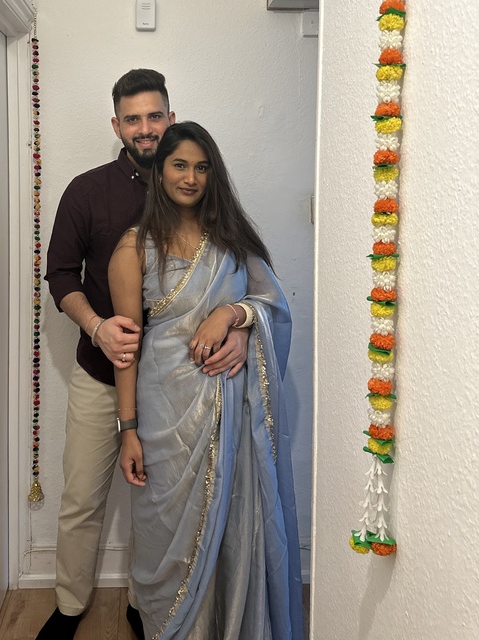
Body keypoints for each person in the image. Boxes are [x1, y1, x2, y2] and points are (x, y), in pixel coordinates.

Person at [39, 71, 249, 640]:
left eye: (155, 116)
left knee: (160, 501)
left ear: (170, 116)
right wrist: (97, 327)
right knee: (82, 495)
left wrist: (239, 325)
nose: (145, 128)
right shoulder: (88, 191)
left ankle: (147, 602)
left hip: (178, 388)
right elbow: (60, 275)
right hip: (100, 373)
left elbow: (234, 280)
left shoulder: (194, 187)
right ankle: (69, 607)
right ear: (117, 126)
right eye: (132, 119)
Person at [108, 121, 304, 639]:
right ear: (159, 171)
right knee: (163, 533)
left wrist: (235, 317)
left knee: (233, 526)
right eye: (179, 165)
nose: (191, 178)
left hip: (231, 414)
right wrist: (128, 430)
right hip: (163, 412)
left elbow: (274, 306)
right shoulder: (133, 249)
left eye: (201, 167)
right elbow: (125, 351)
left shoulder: (231, 241)